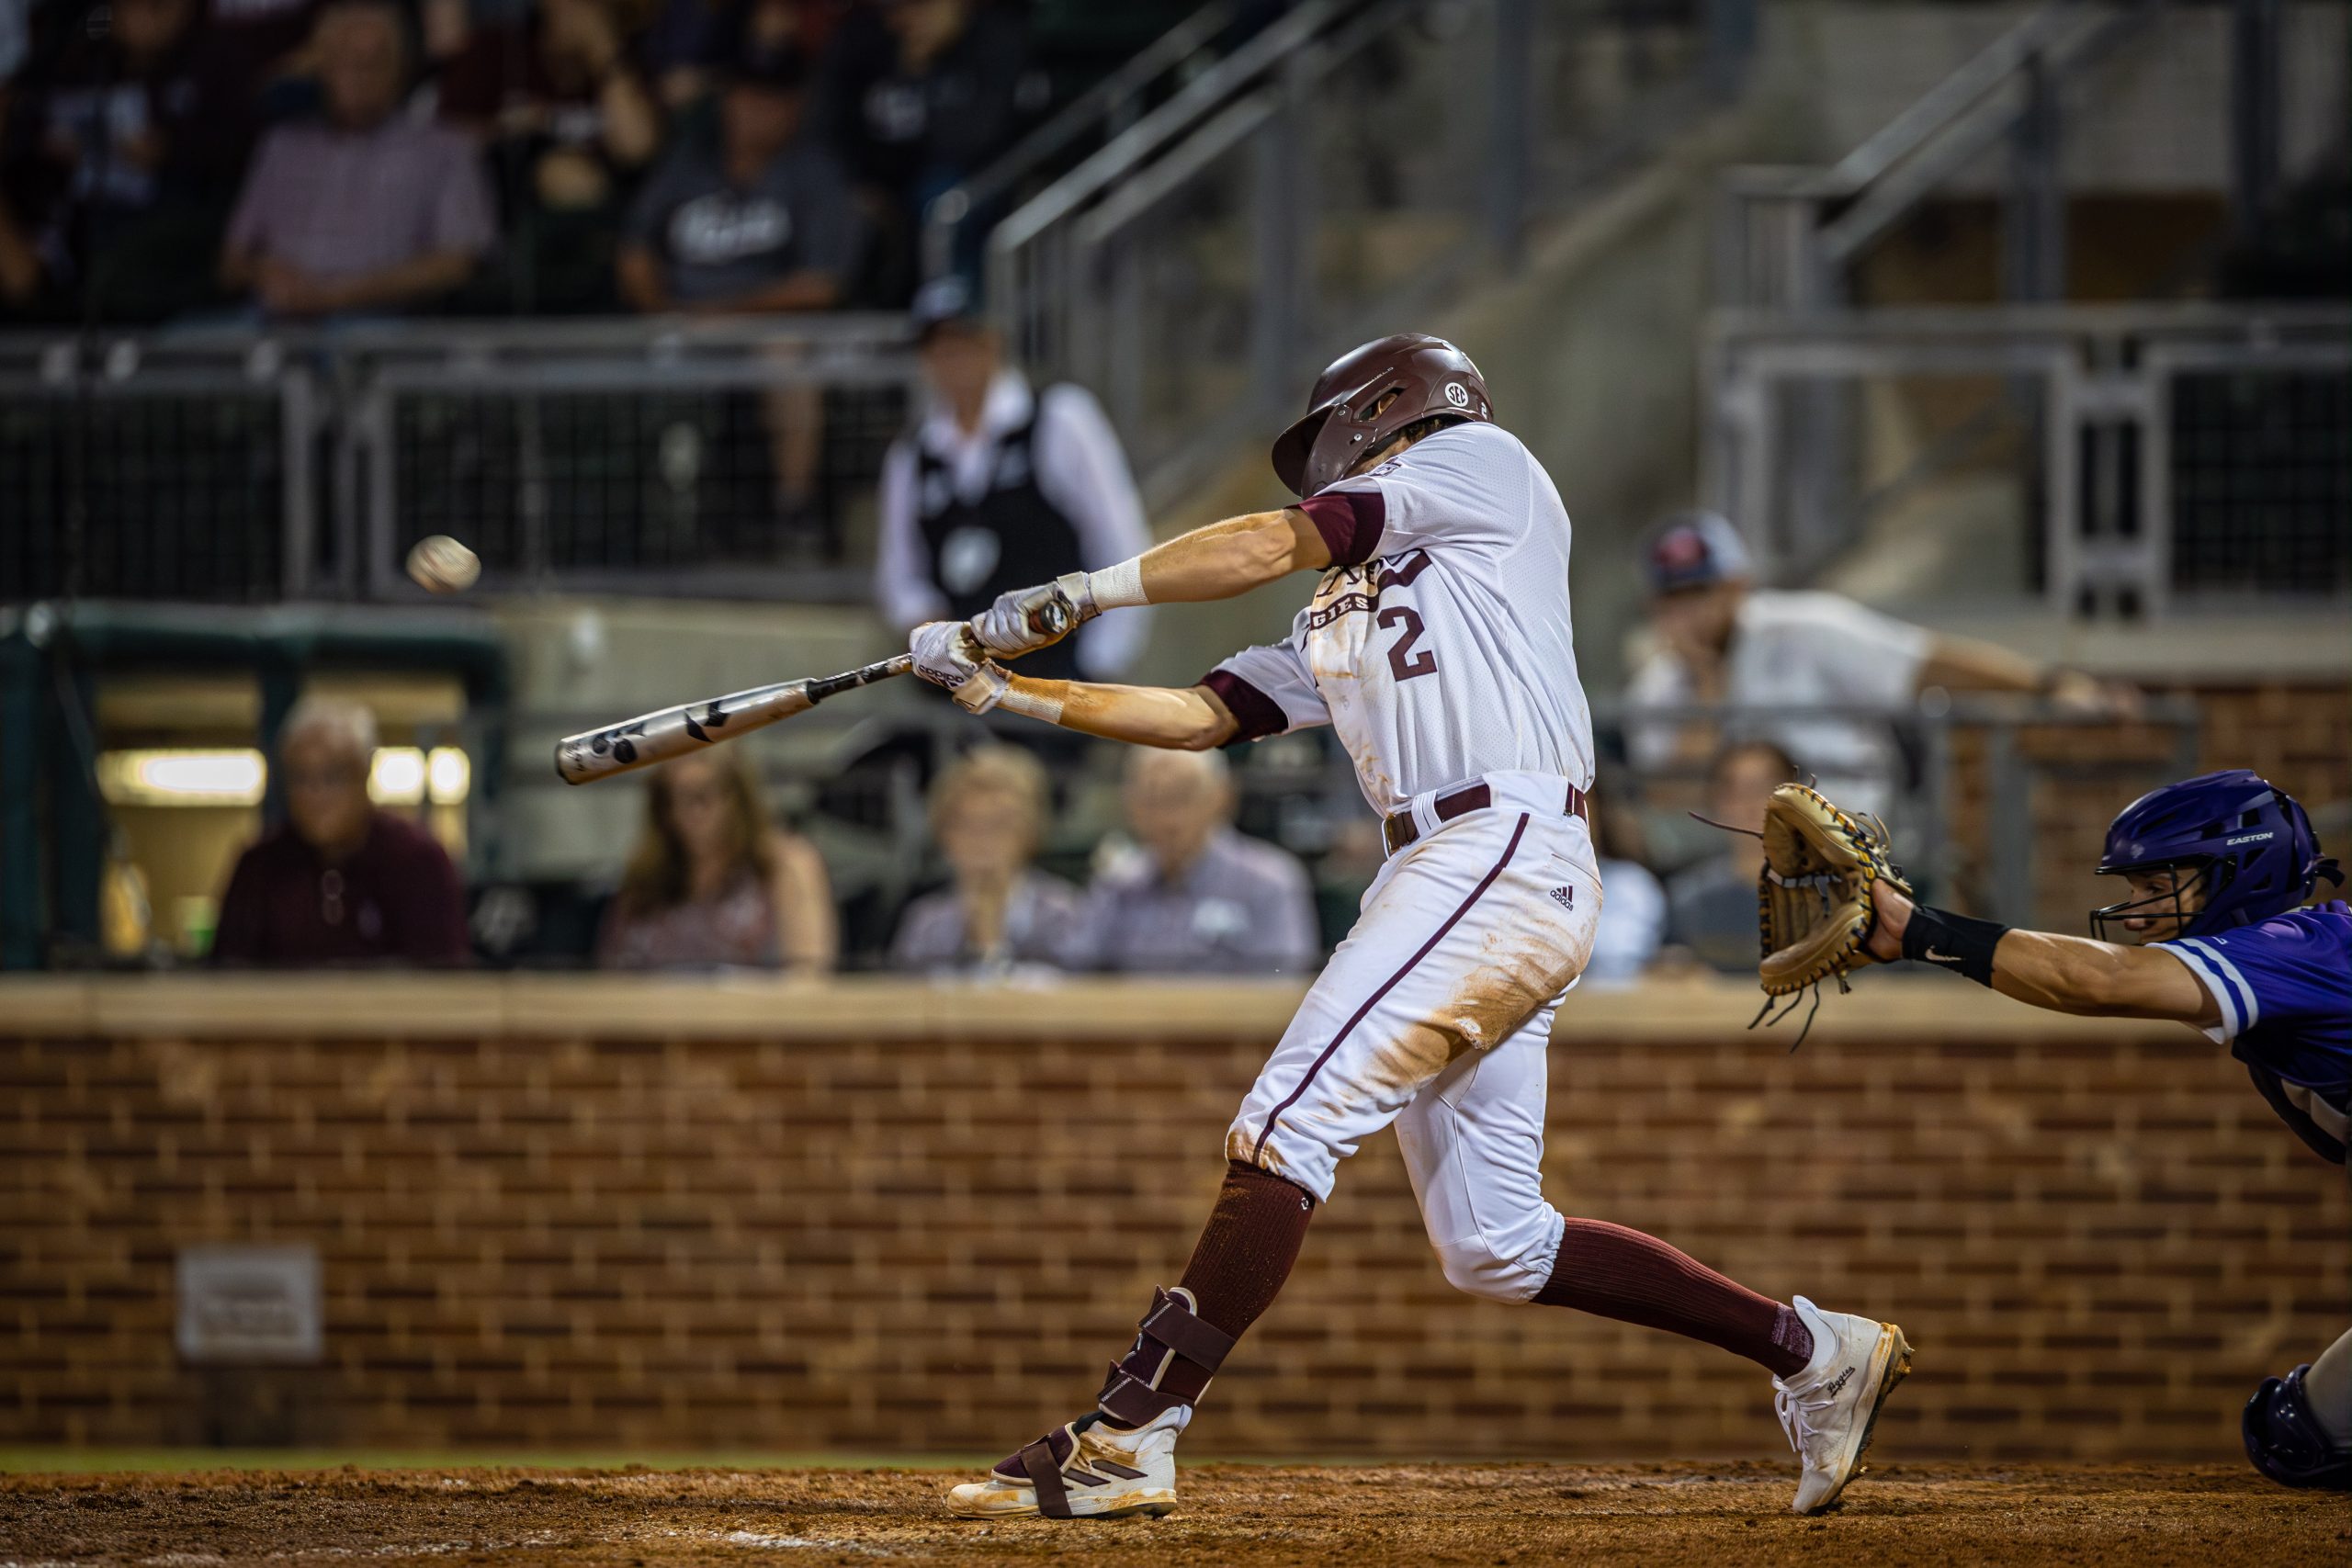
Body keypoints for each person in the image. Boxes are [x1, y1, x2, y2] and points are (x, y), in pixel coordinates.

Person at [905, 333, 1910, 1519]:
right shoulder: (1343, 606)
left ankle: (1131, 1425)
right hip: (1450, 873)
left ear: (1385, 408)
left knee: (1287, 1119)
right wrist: (1007, 689)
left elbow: (1271, 539)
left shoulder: (1485, 463)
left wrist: (1076, 592)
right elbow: (1198, 713)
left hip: (1498, 844)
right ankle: (1813, 1348)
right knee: (1494, 1240)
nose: (1317, 469)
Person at [1850, 768, 2348, 1491]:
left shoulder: (2302, 944)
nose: (2139, 910)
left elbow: (2097, 981)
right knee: (2293, 1430)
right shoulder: (2294, 959)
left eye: (2160, 884)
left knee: (2298, 1433)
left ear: (2243, 868)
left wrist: (1918, 928)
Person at [1623, 510, 2133, 821]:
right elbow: (1668, 795)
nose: (1688, 613)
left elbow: (1928, 665)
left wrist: (2048, 684)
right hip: (1733, 863)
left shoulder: (1805, 626)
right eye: (1674, 599)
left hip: (1852, 838)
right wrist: (1710, 683)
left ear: (1737, 586)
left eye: (1701, 592)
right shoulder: (1659, 681)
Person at [616, 38, 859, 534]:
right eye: (745, 96)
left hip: (768, 330)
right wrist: (662, 310)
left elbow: (820, 286)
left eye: (771, 99)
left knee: (787, 359)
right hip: (680, 324)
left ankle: (794, 514)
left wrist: (719, 316)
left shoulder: (814, 172)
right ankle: (657, 524)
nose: (755, 111)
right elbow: (635, 249)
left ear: (794, 106)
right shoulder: (690, 162)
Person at [875, 275, 1154, 684]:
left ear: (991, 342)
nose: (952, 361)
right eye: (938, 349)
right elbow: (900, 575)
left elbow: (1120, 545)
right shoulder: (912, 454)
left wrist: (1099, 665)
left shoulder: (1060, 419)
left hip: (1060, 675)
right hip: (963, 685)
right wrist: (929, 630)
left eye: (962, 344)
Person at [218, 0, 495, 319]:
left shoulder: (446, 149)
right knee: (184, 347)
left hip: (380, 323)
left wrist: (340, 295)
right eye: (343, 60)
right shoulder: (281, 145)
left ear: (400, 68)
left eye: (371, 62)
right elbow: (230, 265)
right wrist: (262, 272)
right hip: (271, 320)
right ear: (320, 66)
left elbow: (457, 264)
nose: (356, 76)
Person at [436, 0, 662, 309]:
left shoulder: (631, 58)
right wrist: (511, 129)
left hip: (604, 244)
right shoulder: (499, 48)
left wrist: (603, 52)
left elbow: (637, 147)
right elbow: (442, 146)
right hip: (507, 238)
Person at [212, 697, 469, 966]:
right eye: (300, 777)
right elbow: (224, 978)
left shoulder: (417, 862)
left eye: (333, 776)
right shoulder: (260, 867)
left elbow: (449, 983)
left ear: (366, 774)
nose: (316, 795)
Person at [816, 0, 1029, 302]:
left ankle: (956, 317)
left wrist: (921, 75)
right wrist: (859, 184)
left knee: (941, 195)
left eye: (921, 7)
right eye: (897, 9)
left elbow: (974, 140)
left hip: (974, 184)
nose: (905, 18)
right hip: (883, 184)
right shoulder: (866, 39)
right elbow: (831, 129)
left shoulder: (994, 40)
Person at [1078, 749, 1317, 977]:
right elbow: (1076, 973)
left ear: (1222, 797)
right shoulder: (1117, 884)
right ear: (1131, 804)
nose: (1169, 819)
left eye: (1182, 796)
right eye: (1153, 799)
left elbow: (1285, 986)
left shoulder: (1270, 881)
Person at [596, 748, 836, 971]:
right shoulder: (646, 875)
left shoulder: (786, 864)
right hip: (654, 1014)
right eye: (670, 799)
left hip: (755, 1014)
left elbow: (808, 975)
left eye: (701, 797)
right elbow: (613, 977)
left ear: (736, 797)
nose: (686, 814)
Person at [888, 743, 1085, 974]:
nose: (982, 841)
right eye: (967, 825)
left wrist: (991, 945)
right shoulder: (926, 922)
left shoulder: (1064, 913)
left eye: (998, 825)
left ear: (1030, 833)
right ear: (943, 834)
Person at [1667, 739, 1798, 974]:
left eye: (1764, 788)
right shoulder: (1688, 898)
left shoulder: (1837, 890)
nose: (1750, 804)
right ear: (1717, 801)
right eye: (1736, 792)